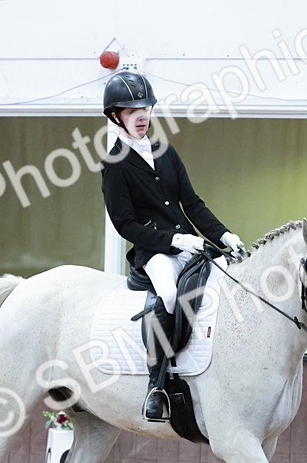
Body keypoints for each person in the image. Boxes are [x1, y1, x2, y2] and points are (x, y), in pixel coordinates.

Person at [100, 70, 246, 423]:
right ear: (116, 115)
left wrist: (224, 236)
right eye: (132, 111)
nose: (142, 116)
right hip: (154, 253)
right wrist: (172, 240)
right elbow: (126, 225)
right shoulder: (114, 164)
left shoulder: (165, 151)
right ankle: (158, 384)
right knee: (168, 296)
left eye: (146, 108)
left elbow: (191, 204)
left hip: (191, 245)